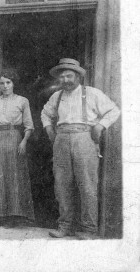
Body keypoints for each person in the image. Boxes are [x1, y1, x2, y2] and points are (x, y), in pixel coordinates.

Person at [41, 58, 120, 240]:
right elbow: (45, 113)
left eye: (69, 76)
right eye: (63, 77)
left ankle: (89, 229)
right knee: (61, 185)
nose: (66, 80)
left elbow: (114, 110)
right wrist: (49, 129)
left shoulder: (92, 93)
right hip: (61, 139)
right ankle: (65, 226)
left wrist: (100, 126)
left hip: (85, 138)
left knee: (87, 184)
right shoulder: (57, 96)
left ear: (78, 76)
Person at [0, 69, 35, 228]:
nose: (5, 86)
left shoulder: (22, 101)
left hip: (15, 139)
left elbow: (29, 125)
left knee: (14, 177)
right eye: (2, 83)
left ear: (13, 83)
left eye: (8, 82)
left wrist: (24, 141)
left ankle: (14, 216)